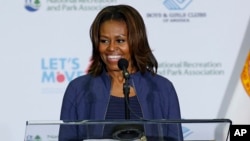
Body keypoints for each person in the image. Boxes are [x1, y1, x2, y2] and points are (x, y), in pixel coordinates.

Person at [59, 4, 183, 141]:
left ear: (136, 41)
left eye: (120, 40)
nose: (111, 47)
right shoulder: (78, 89)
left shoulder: (162, 88)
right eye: (104, 41)